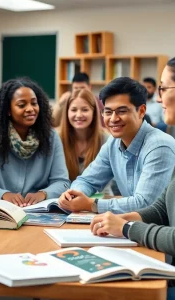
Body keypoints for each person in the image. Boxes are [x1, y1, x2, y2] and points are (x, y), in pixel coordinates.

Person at [90, 57, 175, 300]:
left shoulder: (161, 144)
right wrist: (130, 217)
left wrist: (127, 227)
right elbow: (161, 207)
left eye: (163, 88)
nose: (158, 98)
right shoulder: (112, 143)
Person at [59, 76, 175, 214]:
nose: (113, 119)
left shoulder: (159, 145)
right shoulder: (113, 143)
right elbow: (87, 180)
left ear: (142, 111)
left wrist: (91, 204)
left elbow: (145, 204)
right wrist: (73, 195)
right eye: (108, 112)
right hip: (131, 226)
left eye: (122, 111)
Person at [0, 77, 70, 206]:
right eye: (21, 105)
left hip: (39, 209)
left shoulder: (51, 136)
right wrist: (3, 195)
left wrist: (43, 194)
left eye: (34, 103)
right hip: (3, 209)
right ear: (8, 110)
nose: (30, 109)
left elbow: (62, 181)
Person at [60, 88, 108, 181]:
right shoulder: (57, 139)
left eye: (85, 110)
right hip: (63, 194)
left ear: (94, 113)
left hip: (100, 194)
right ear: (67, 113)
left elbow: (105, 182)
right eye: (74, 110)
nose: (79, 115)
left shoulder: (106, 139)